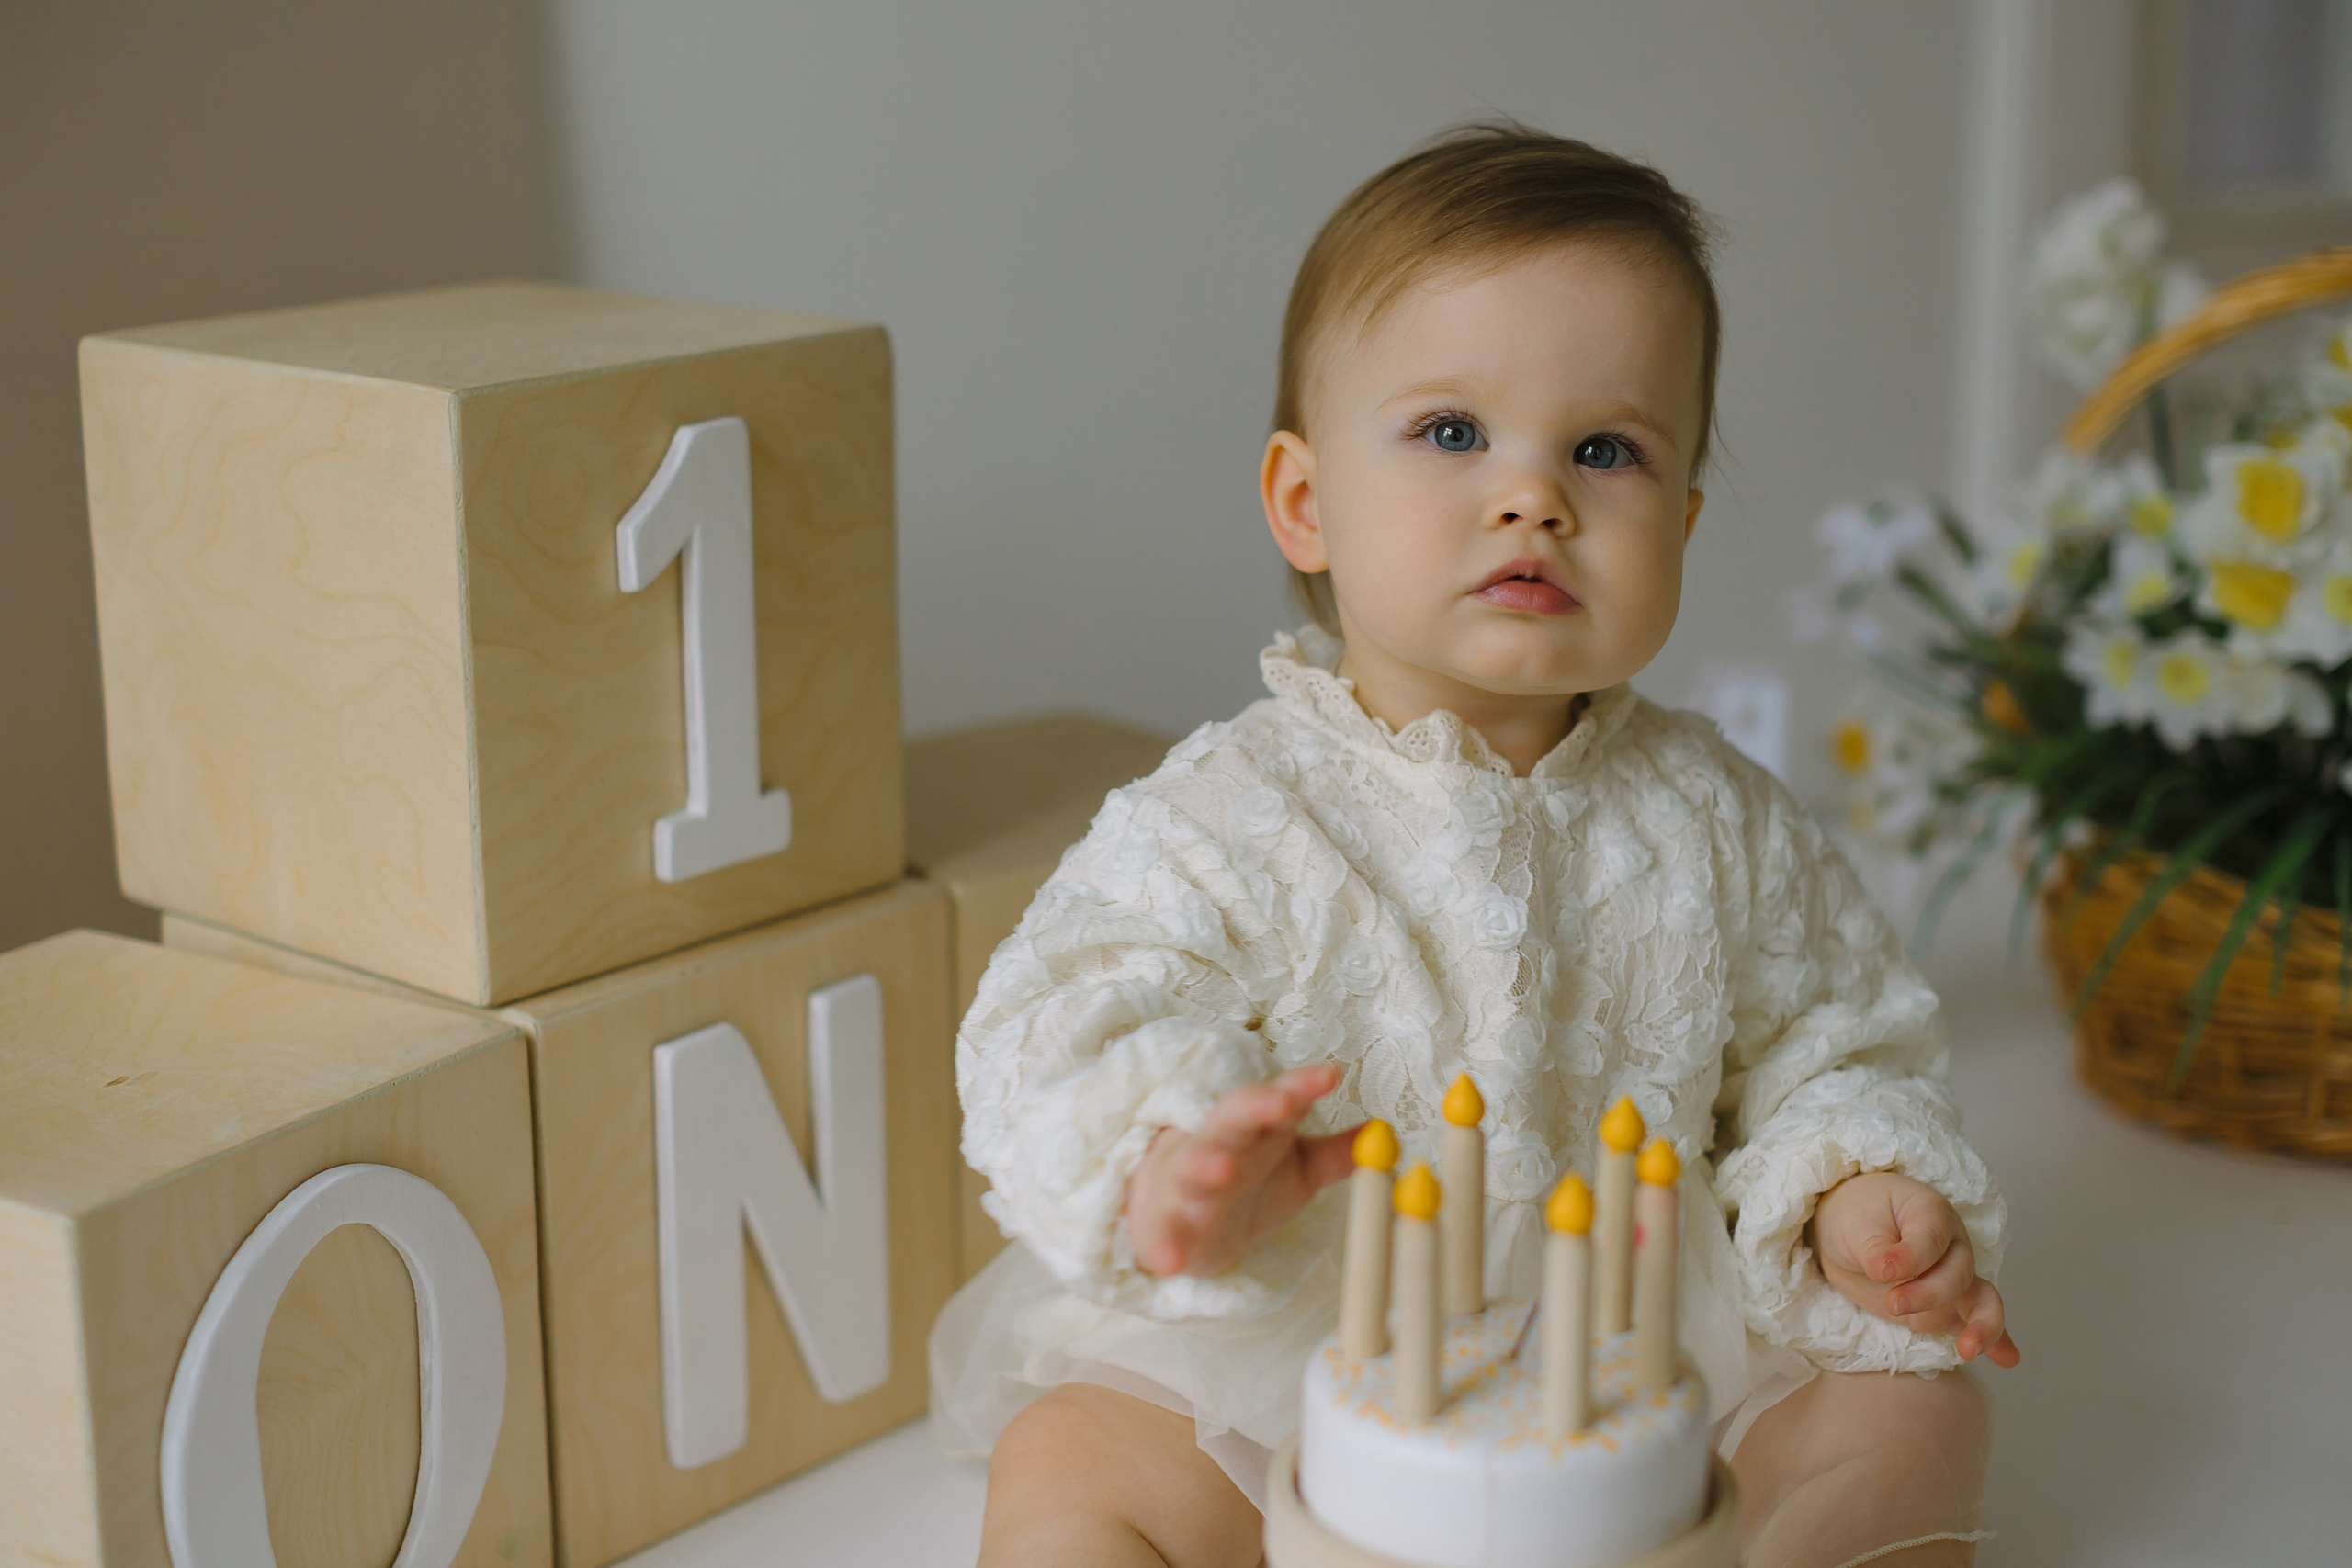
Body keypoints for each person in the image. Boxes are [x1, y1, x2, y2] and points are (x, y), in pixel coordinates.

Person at [930, 124, 2017, 1568]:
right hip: (1302, 1344)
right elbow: (1059, 1007)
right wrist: (1170, 1152)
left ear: (1683, 520)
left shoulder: (1720, 819)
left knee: (1914, 1418)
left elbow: (1834, 1043)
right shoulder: (1226, 816)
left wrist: (1854, 1190)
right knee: (1072, 1457)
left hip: (1645, 1355)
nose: (1534, 495)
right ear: (1305, 503)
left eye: (1605, 449)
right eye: (1453, 432)